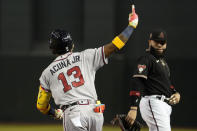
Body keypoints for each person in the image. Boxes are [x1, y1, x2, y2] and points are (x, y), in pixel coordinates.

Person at [36, 5, 138, 131]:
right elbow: (114, 46)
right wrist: (131, 26)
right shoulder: (86, 56)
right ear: (71, 45)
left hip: (74, 113)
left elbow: (41, 105)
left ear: (52, 48)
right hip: (95, 112)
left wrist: (54, 113)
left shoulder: (47, 73)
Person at [126, 28, 181, 131]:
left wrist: (175, 92)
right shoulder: (146, 59)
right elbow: (137, 81)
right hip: (153, 102)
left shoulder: (163, 62)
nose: (160, 45)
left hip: (164, 105)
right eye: (156, 42)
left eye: (162, 42)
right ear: (150, 42)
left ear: (166, 44)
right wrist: (133, 108)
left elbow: (166, 84)